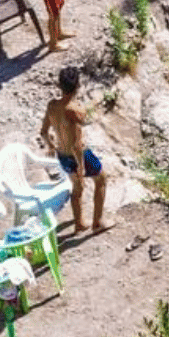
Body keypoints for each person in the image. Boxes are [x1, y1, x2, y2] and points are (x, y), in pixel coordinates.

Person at [39, 64, 106, 233]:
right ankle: (97, 223)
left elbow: (44, 132)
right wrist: (81, 168)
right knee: (102, 179)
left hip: (62, 155)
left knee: (77, 189)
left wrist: (51, 147)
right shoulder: (74, 111)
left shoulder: (52, 105)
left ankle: (79, 223)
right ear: (77, 86)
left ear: (59, 86)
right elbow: (77, 143)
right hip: (79, 156)